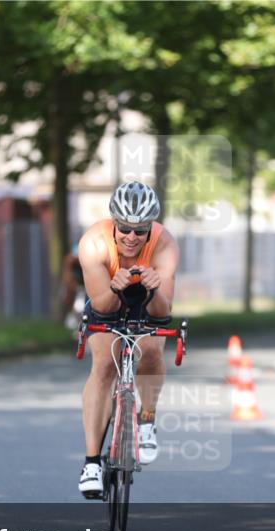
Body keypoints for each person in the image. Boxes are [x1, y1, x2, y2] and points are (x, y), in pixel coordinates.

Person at [76, 182, 179, 498]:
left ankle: (147, 420)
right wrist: (115, 287)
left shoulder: (164, 245)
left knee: (150, 348)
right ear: (113, 222)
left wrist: (155, 287)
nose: (131, 237)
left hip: (147, 303)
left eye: (140, 230)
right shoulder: (94, 243)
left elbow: (163, 312)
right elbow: (103, 307)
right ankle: (92, 463)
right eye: (124, 228)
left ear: (151, 228)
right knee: (105, 364)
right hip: (106, 301)